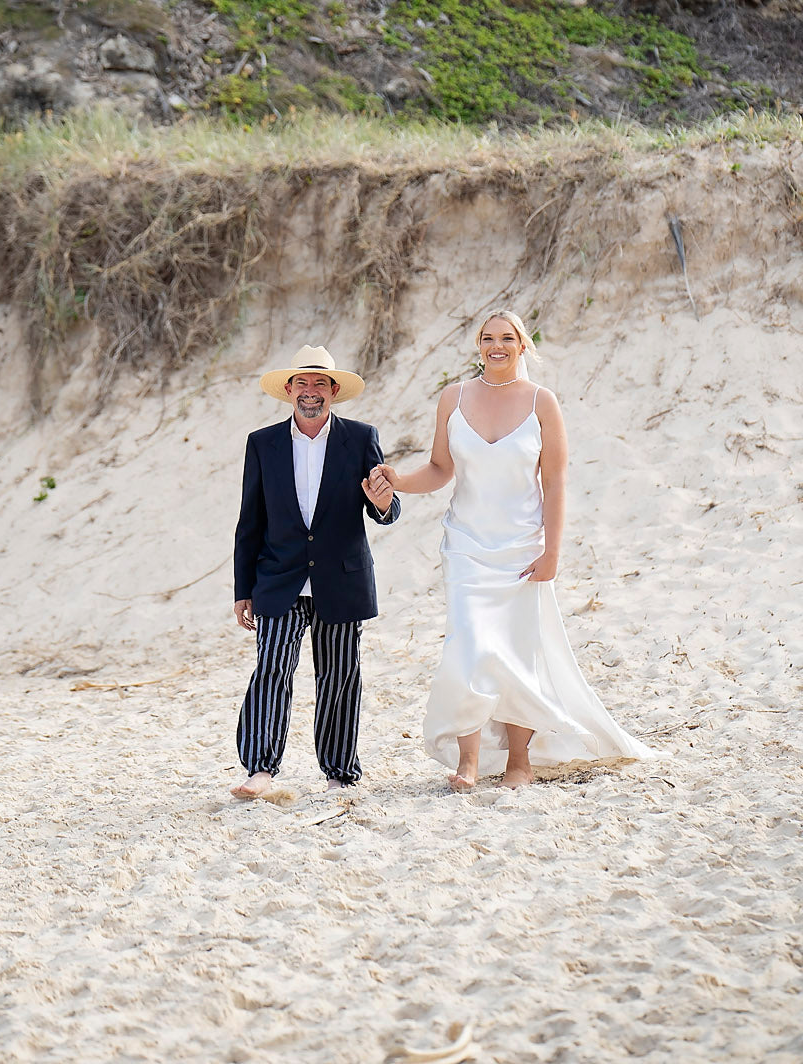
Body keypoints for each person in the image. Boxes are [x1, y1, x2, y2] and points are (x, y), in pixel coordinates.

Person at [370, 309, 655, 791]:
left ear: (523, 346)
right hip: (465, 545)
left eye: (507, 338)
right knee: (468, 645)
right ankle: (468, 759)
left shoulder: (543, 402)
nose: (496, 346)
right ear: (477, 345)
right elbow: (440, 470)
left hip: (523, 546)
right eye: (487, 338)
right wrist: (398, 480)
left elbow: (556, 480)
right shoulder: (452, 398)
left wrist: (552, 552)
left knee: (519, 652)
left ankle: (520, 760)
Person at [231, 345, 400, 799]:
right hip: (278, 578)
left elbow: (385, 505)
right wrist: (242, 588)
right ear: (288, 390)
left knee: (340, 675)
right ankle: (260, 769)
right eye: (302, 383)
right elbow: (251, 520)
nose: (310, 391)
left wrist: (383, 504)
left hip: (341, 578)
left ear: (334, 391)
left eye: (319, 383)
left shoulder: (362, 438)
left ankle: (340, 773)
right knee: (272, 668)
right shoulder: (262, 443)